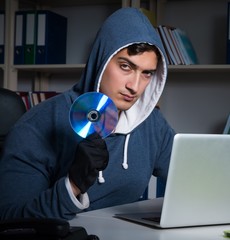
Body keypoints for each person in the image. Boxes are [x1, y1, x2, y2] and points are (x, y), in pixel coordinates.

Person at [0, 7, 175, 220]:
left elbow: (193, 179)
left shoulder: (152, 124)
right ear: (101, 60)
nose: (135, 86)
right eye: (125, 66)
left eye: (146, 73)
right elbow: (9, 218)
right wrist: (72, 185)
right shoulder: (38, 125)